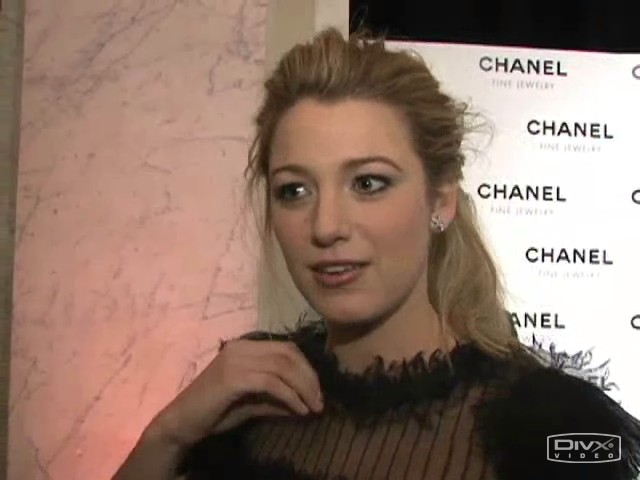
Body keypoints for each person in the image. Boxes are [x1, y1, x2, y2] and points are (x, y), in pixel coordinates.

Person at [112, 28, 640, 480]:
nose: (326, 226)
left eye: (368, 183)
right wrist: (169, 433)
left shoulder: (550, 429)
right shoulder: (245, 404)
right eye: (295, 190)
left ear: (440, 201)